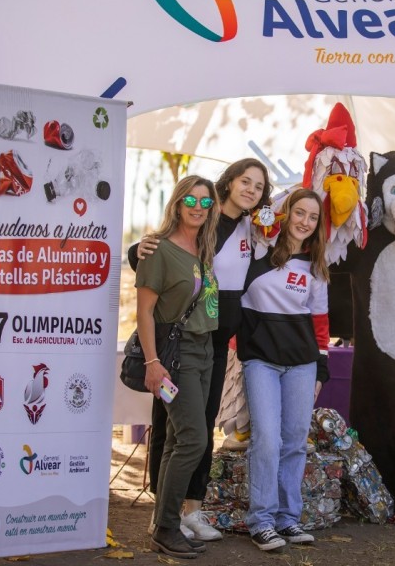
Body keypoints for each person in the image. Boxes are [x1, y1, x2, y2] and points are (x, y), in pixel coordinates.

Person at [131, 159, 272, 542]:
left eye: (258, 187)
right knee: (169, 426)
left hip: (216, 342)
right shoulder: (205, 220)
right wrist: (135, 247)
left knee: (202, 426)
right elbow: (161, 254)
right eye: (245, 181)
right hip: (179, 340)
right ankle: (163, 512)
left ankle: (192, 509)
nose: (250, 190)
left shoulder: (254, 229)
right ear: (228, 183)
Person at [237, 188, 330, 551]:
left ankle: (288, 520)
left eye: (313, 217)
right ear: (286, 213)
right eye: (299, 213)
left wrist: (322, 370)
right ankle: (261, 521)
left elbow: (320, 325)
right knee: (267, 441)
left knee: (294, 443)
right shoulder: (259, 250)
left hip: (302, 365)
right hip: (260, 360)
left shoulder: (317, 266)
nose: (305, 222)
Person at [135, 175, 220, 559]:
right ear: (178, 202)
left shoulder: (203, 246)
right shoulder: (158, 249)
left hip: (205, 352)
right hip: (177, 355)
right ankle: (168, 527)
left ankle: (162, 525)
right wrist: (153, 364)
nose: (198, 207)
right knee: (194, 439)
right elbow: (144, 312)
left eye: (205, 202)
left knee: (175, 439)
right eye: (191, 199)